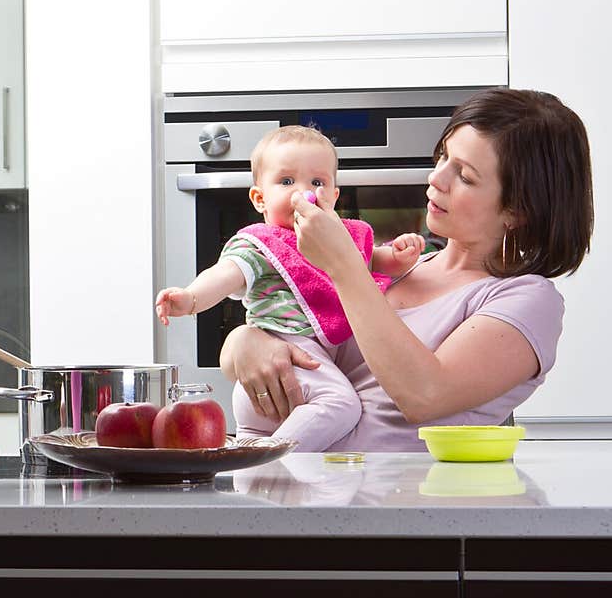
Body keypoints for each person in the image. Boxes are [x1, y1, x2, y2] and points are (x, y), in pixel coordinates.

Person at [219, 88, 595, 452]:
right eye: (443, 157)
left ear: (518, 210)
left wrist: (342, 264)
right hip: (290, 490)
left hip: (395, 508)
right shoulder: (397, 264)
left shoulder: (526, 300)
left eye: (464, 175)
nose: (436, 178)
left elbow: (425, 395)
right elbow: (298, 343)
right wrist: (245, 342)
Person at [155, 124, 427, 450]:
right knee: (341, 405)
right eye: (286, 182)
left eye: (318, 182)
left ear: (335, 195)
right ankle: (267, 459)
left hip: (288, 386)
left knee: (252, 484)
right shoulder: (261, 245)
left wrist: (397, 256)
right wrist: (191, 297)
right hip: (279, 362)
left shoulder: (340, 237)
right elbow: (224, 274)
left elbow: (368, 261)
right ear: (259, 198)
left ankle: (251, 466)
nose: (304, 193)